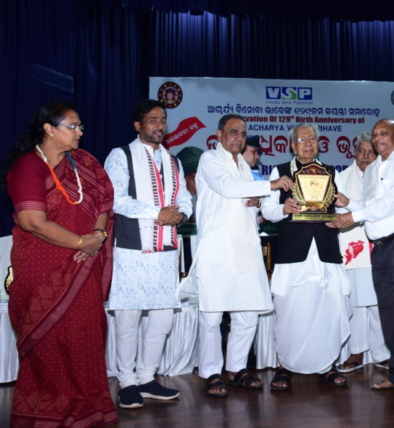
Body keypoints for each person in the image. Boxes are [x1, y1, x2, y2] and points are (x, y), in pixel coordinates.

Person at [1, 102, 118, 426]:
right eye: (73, 126)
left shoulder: (85, 163)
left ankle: (88, 413)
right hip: (42, 270)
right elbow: (32, 222)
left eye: (81, 126)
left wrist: (96, 236)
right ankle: (47, 416)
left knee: (85, 338)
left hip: (84, 268)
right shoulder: (28, 166)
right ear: (49, 129)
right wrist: (82, 243)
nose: (80, 132)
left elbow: (104, 202)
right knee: (50, 344)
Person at [329, 118, 394, 399]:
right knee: (390, 313)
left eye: (384, 133)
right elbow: (370, 207)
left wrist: (353, 216)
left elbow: (393, 204)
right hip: (381, 247)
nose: (378, 139)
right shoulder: (373, 168)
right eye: (375, 134)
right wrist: (348, 204)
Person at [193, 114, 293, 397]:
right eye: (233, 132)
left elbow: (250, 203)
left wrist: (260, 202)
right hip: (217, 249)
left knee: (247, 314)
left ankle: (237, 368)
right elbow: (227, 187)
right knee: (212, 317)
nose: (239, 137)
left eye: (242, 133)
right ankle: (211, 372)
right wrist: (270, 186)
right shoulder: (209, 159)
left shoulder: (244, 166)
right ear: (219, 135)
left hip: (246, 247)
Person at [104, 99, 193, 409]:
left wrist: (181, 214)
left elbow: (185, 198)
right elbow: (116, 199)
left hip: (166, 250)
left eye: (163, 120)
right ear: (138, 125)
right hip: (132, 248)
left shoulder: (173, 161)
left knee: (162, 318)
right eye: (153, 120)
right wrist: (158, 212)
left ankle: (146, 377)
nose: (160, 125)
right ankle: (127, 381)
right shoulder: (121, 155)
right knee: (127, 318)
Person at [261, 123, 350, 390]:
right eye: (302, 140)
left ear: (319, 143)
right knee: (289, 310)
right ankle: (285, 365)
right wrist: (284, 207)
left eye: (312, 139)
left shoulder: (331, 172)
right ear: (292, 145)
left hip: (325, 250)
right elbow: (267, 211)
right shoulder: (280, 171)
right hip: (293, 251)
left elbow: (344, 207)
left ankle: (326, 365)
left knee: (327, 308)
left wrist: (344, 206)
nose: (308, 144)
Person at [336, 132, 391, 374]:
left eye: (371, 152)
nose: (366, 156)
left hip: (381, 245)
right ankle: (356, 352)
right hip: (353, 247)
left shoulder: (385, 176)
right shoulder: (341, 179)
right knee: (356, 303)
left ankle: (382, 353)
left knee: (380, 302)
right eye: (361, 151)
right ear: (354, 153)